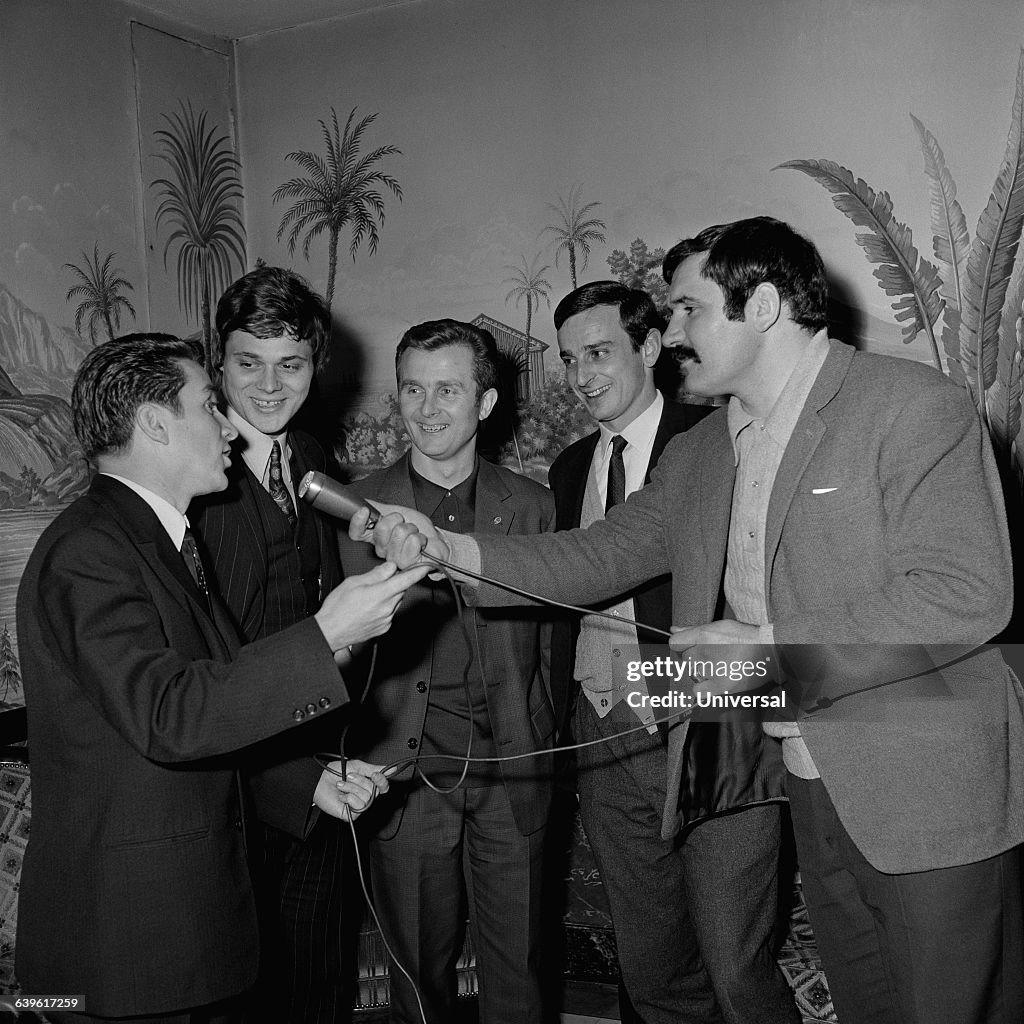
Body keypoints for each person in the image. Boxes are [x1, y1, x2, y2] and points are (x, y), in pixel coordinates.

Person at [353, 217, 1024, 1024]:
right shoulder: (705, 451)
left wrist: (769, 650)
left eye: (687, 311)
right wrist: (452, 548)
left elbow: (964, 593)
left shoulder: (911, 406)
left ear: (765, 306)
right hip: (813, 777)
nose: (669, 336)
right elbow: (598, 554)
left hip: (924, 786)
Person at [16, 333, 428, 1023]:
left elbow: (219, 700)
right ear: (154, 422)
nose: (229, 428)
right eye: (210, 406)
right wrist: (328, 632)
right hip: (127, 946)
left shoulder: (158, 542)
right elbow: (167, 716)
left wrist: (314, 785)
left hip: (172, 935)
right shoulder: (89, 551)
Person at [548, 280, 795, 1024]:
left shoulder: (720, 441)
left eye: (599, 352)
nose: (584, 374)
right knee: (651, 967)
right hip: (604, 728)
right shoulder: (567, 469)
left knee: (734, 965)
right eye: (569, 359)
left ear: (650, 347)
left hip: (706, 721)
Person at [336, 319, 556, 1024]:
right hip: (406, 784)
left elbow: (552, 647)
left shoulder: (534, 505)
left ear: (485, 405)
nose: (427, 409)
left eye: (448, 390)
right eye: (412, 390)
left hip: (513, 775)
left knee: (518, 978)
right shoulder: (355, 510)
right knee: (418, 987)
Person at [190, 266, 348, 1024]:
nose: (268, 387)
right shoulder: (191, 478)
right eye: (247, 362)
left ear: (316, 366)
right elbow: (198, 674)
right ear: (217, 362)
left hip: (326, 771)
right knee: (242, 997)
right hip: (236, 791)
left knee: (318, 987)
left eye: (291, 365)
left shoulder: (314, 455)